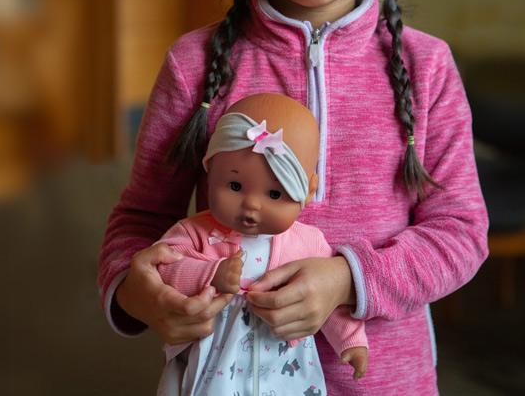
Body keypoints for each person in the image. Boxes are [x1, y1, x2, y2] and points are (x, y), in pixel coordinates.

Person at [98, 0, 489, 395]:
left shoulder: (427, 65)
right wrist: (135, 290)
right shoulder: (194, 65)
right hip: (229, 379)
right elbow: (141, 218)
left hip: (386, 383)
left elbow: (460, 232)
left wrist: (347, 280)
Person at [155, 92, 367, 395]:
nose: (251, 205)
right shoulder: (195, 232)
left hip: (281, 367)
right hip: (215, 365)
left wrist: (352, 341)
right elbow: (164, 267)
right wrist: (209, 275)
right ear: (210, 172)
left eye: (274, 194)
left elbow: (331, 299)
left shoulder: (309, 243)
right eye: (235, 186)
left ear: (308, 192)